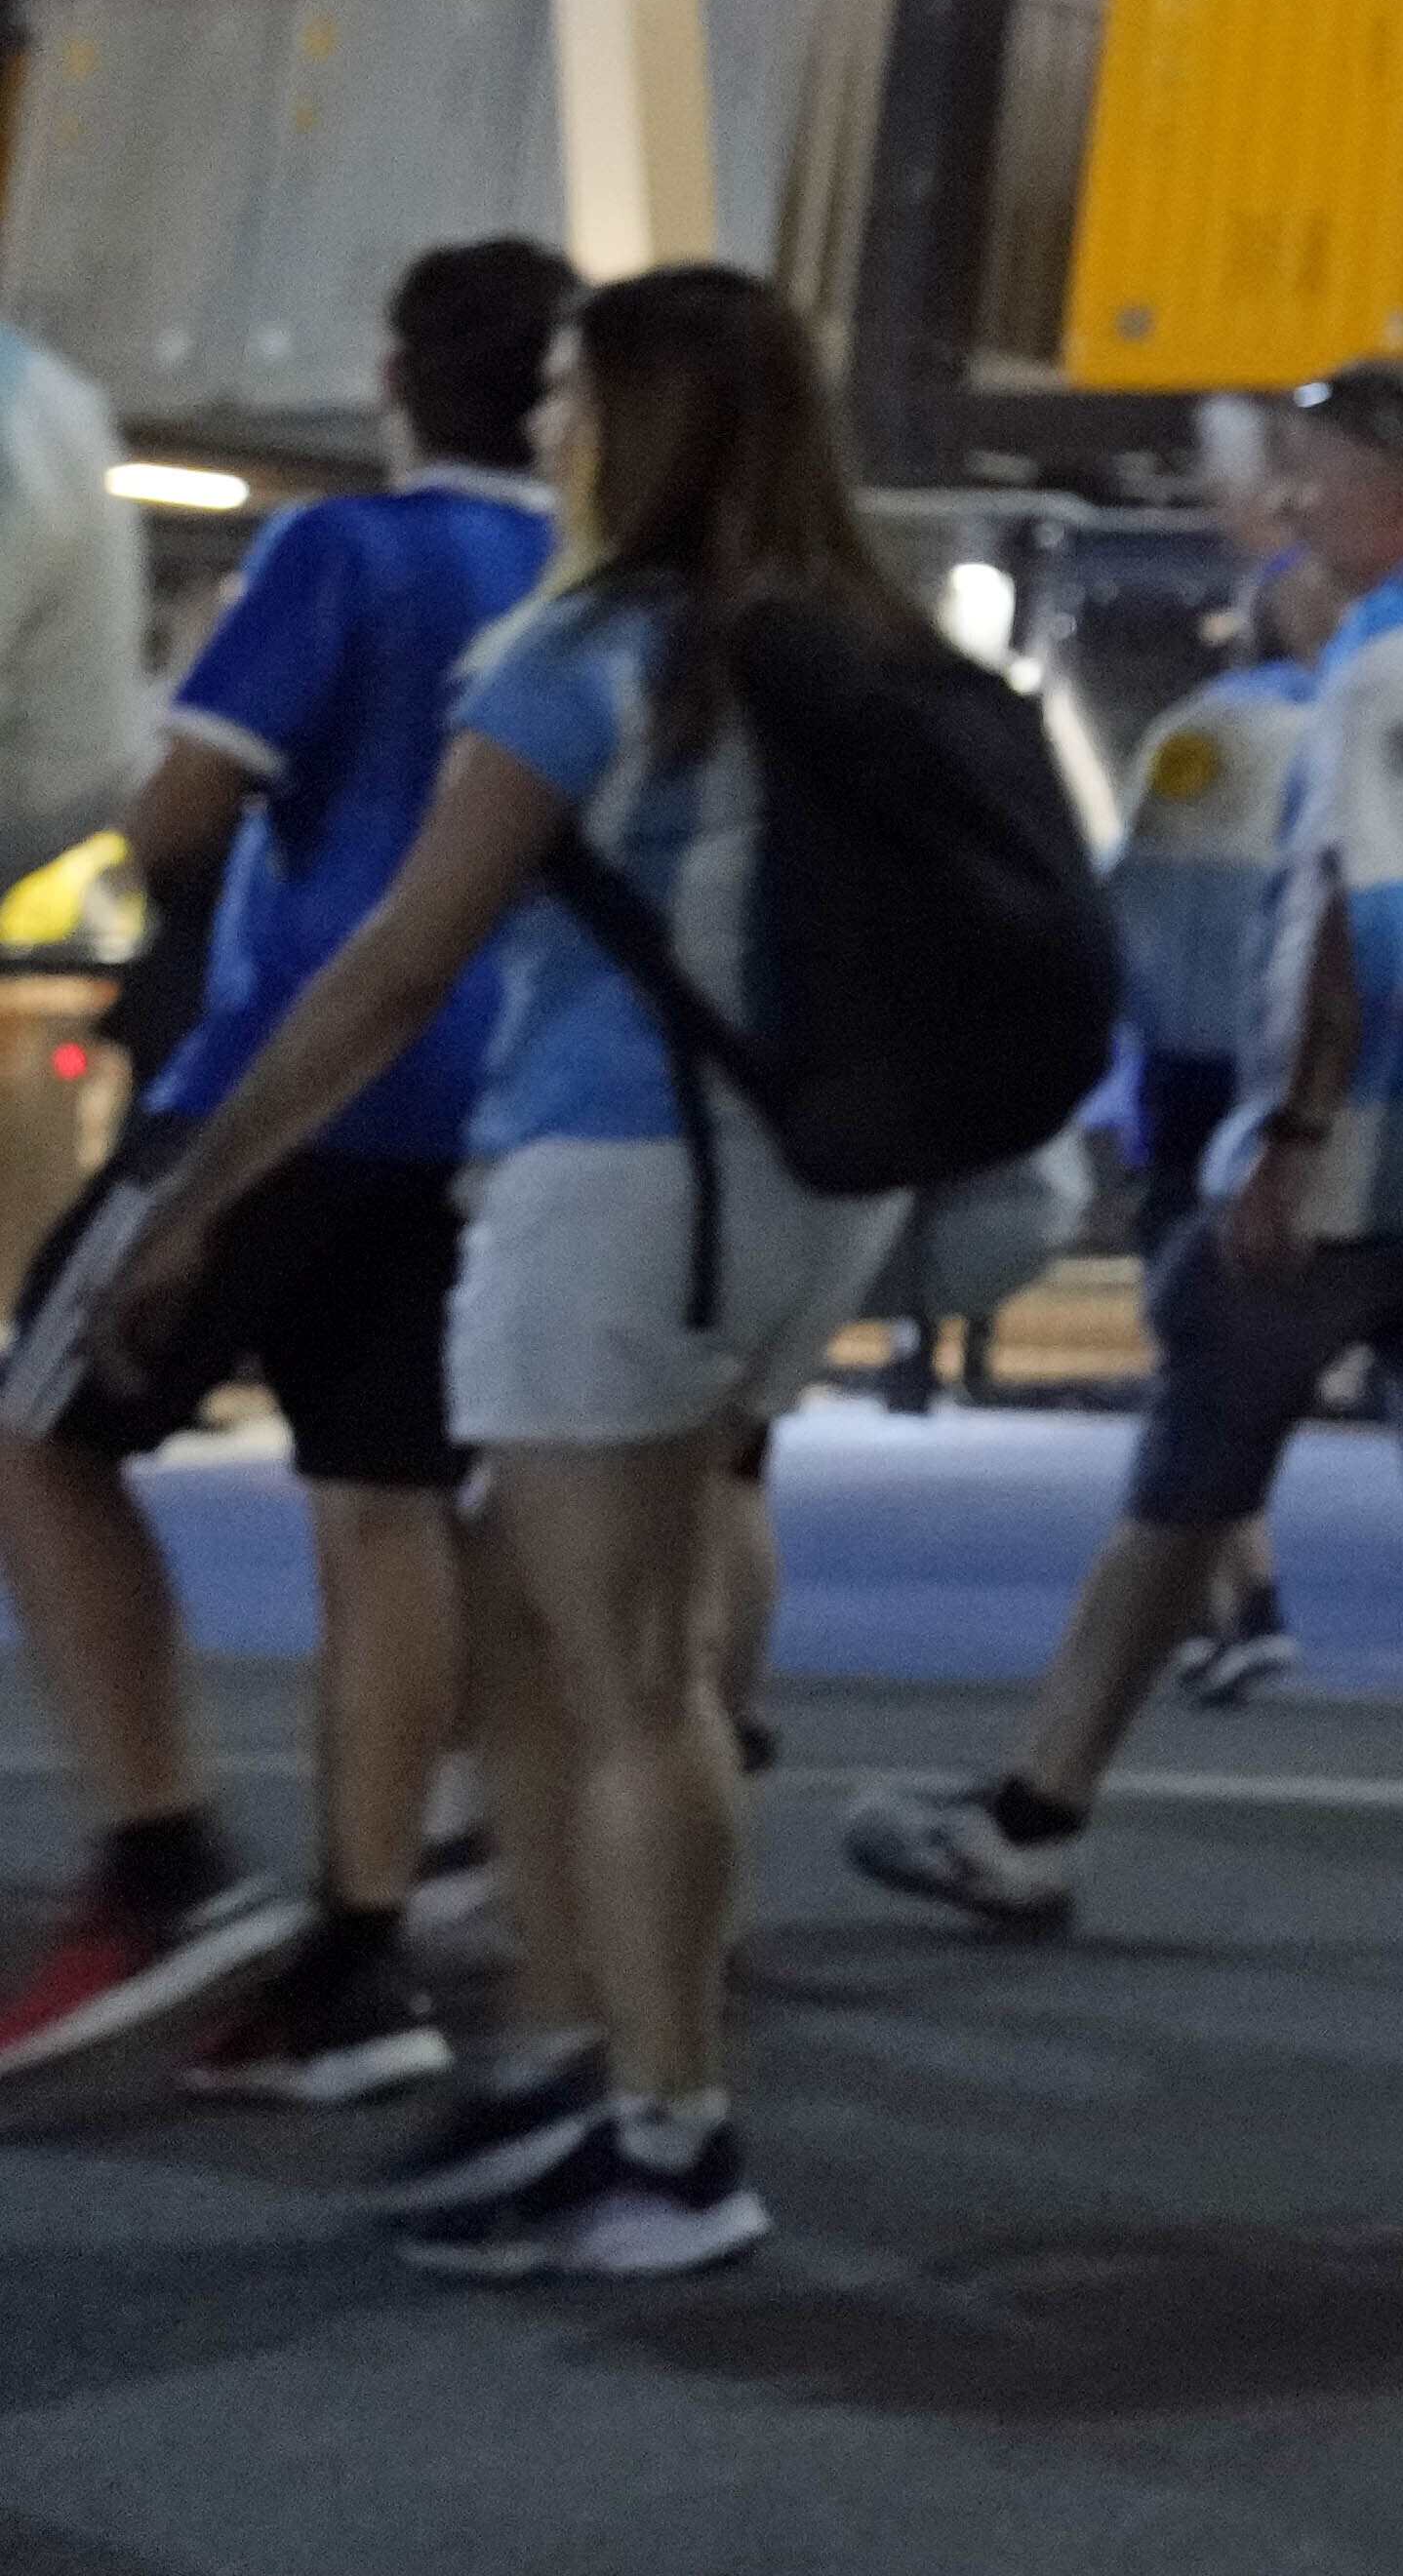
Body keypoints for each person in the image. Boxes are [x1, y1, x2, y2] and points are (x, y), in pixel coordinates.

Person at [100, 265, 929, 2279]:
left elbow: (396, 966)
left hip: (614, 1182)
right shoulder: (851, 641)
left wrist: (200, 1187)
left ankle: (667, 2129)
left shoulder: (582, 653)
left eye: (576, 393)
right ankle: (571, 2061)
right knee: (559, 1646)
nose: (551, 423)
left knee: (623, 1681)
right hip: (802, 1195)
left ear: (629, 421)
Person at [842, 361, 1403, 1954]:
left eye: (1311, 472)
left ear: (1391, 477)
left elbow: (1351, 905)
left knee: (1184, 1482)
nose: (1284, 506)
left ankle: (1031, 1821)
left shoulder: (1375, 666)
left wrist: (1288, 1138)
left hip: (1362, 1148)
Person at [0, 242, 572, 2102]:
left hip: (285, 1090)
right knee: (384, 1500)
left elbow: (177, 815)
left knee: (41, 1432)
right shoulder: (592, 584)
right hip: (489, 1102)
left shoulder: (346, 556)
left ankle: (160, 1854)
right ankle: (358, 1947)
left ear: (397, 377)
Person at [1096, 447, 1324, 1708]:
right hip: (1327, 1090)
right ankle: (1237, 1600)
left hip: (1209, 1084)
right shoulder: (1364, 734)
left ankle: (1250, 1603)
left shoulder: (1206, 738)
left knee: (1200, 1363)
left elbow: (1146, 900)